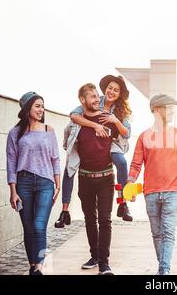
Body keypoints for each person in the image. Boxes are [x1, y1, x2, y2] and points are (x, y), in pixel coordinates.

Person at [54, 75, 132, 228]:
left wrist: (115, 120)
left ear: (119, 94)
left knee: (122, 162)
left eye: (116, 90)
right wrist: (95, 125)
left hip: (109, 144)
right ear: (105, 88)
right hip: (88, 142)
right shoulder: (95, 99)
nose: (112, 92)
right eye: (110, 88)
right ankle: (64, 212)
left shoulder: (120, 110)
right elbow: (74, 115)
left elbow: (127, 133)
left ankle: (123, 203)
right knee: (70, 167)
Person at [127, 94, 177, 275]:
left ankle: (164, 270)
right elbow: (135, 164)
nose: (172, 112)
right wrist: (129, 186)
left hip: (173, 191)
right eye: (168, 108)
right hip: (151, 192)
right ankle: (163, 267)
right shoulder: (143, 137)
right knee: (157, 234)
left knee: (168, 233)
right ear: (156, 110)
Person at [6, 91, 61, 275]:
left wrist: (58, 184)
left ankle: (39, 265)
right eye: (37, 106)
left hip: (46, 183)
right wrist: (13, 190)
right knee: (28, 228)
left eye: (42, 106)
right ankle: (33, 266)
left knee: (39, 226)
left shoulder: (48, 130)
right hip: (23, 184)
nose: (41, 109)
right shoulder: (15, 133)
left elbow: (55, 159)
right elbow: (11, 162)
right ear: (27, 108)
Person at [69, 83, 120, 275]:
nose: (97, 99)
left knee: (105, 220)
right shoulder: (76, 123)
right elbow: (69, 142)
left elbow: (123, 137)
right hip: (85, 178)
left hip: (106, 177)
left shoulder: (107, 119)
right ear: (82, 100)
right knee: (90, 218)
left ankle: (104, 263)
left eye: (97, 96)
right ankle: (94, 255)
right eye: (92, 96)